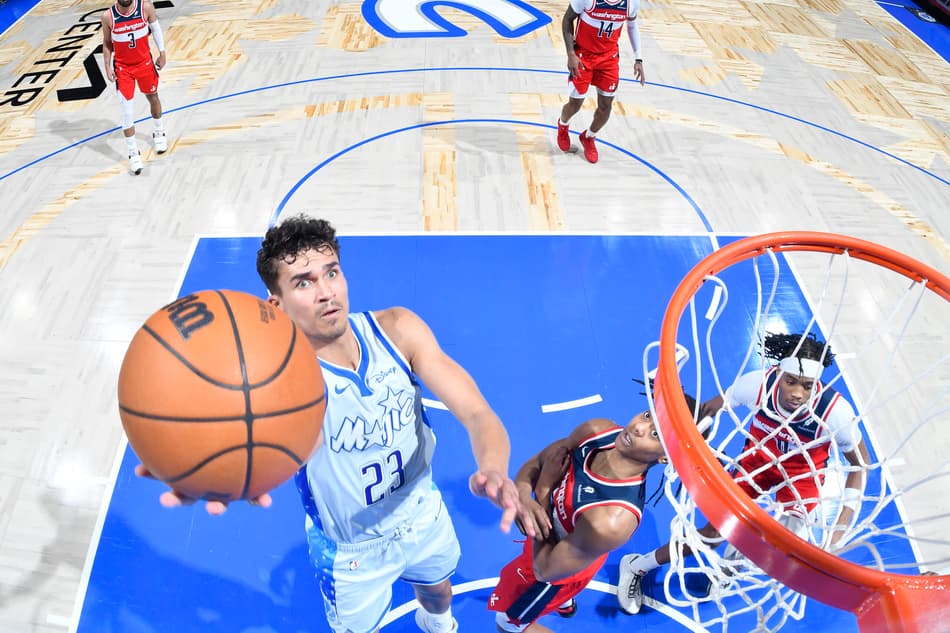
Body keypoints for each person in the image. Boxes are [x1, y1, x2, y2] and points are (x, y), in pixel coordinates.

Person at [138, 214, 531, 633]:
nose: (326, 292)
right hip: (351, 551)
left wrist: (493, 467)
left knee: (438, 591)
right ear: (277, 304)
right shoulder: (278, 385)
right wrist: (205, 472)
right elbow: (239, 439)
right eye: (303, 282)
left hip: (422, 514)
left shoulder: (398, 330)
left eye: (332, 273)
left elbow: (477, 413)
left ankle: (439, 624)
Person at [616, 332, 870, 615]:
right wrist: (690, 435)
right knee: (715, 532)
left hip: (801, 476)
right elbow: (710, 408)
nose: (798, 393)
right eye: (791, 382)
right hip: (757, 460)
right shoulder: (759, 384)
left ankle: (728, 569)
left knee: (782, 548)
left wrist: (837, 533)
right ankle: (637, 565)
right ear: (779, 372)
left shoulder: (835, 412)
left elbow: (860, 465)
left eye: (807, 385)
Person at [488, 392, 698, 632]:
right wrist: (524, 497)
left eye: (654, 434)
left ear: (664, 457)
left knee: (507, 624)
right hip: (560, 540)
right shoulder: (598, 430)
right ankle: (565, 604)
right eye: (648, 415)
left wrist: (543, 491)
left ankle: (563, 598)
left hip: (554, 571)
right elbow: (539, 461)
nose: (639, 427)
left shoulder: (611, 521)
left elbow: (544, 570)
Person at [556, 0, 645, 164]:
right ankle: (562, 125)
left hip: (608, 58)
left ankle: (589, 137)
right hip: (583, 55)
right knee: (575, 104)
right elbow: (567, 19)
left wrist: (638, 58)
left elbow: (632, 25)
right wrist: (570, 53)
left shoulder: (631, 3)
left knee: (605, 107)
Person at [101, 0, 167, 175]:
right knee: (127, 112)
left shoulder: (145, 7)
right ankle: (133, 153)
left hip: (145, 63)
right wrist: (107, 66)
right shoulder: (108, 16)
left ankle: (159, 132)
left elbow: (156, 29)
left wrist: (162, 52)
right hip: (123, 70)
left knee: (153, 97)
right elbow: (107, 43)